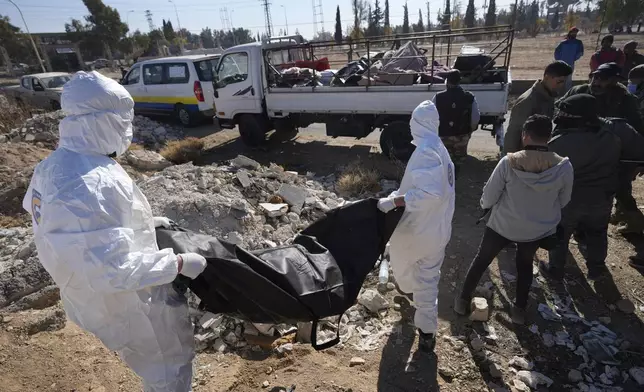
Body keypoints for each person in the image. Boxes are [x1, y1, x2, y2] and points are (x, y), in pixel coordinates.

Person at [22, 71, 208, 392]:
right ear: (101, 120)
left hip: (84, 300)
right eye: (124, 120)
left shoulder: (53, 166)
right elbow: (113, 269)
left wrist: (142, 225)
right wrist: (176, 264)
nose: (128, 129)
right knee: (164, 372)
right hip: (128, 310)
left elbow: (71, 231)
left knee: (119, 376)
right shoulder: (95, 181)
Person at [454, 115, 573, 324]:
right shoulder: (563, 167)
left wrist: (485, 206)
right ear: (550, 136)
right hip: (536, 230)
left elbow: (489, 197)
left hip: (502, 226)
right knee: (525, 266)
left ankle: (462, 301)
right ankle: (518, 311)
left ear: (525, 135)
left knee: (482, 260)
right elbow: (564, 201)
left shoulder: (508, 162)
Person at [377, 100, 455, 353]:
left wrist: (395, 201)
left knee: (404, 270)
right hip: (438, 231)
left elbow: (428, 194)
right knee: (429, 280)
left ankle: (412, 295)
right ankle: (427, 332)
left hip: (417, 230)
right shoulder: (440, 149)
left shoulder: (426, 151)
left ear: (417, 124)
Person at [541, 94, 644, 280]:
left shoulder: (558, 143)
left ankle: (555, 270)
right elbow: (638, 154)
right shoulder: (616, 130)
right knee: (597, 232)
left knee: (561, 234)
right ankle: (596, 269)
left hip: (569, 200)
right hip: (603, 197)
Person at [503, 61, 573, 155]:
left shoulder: (548, 96)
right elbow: (513, 133)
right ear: (547, 77)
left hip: (537, 155)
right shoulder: (528, 100)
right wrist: (510, 160)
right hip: (524, 157)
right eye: (559, 82)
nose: (562, 86)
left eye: (564, 82)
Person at [432, 69, 480, 177]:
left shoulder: (438, 97)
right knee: (458, 162)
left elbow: (432, 117)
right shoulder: (469, 97)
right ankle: (454, 178)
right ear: (459, 81)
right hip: (461, 136)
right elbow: (475, 118)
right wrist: (469, 132)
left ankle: (446, 181)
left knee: (444, 159)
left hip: (444, 135)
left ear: (447, 81)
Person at [554, 27, 584, 92]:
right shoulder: (563, 43)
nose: (574, 34)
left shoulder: (578, 43)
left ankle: (568, 95)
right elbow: (556, 52)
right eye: (573, 32)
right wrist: (559, 61)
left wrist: (573, 59)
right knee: (560, 79)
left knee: (568, 81)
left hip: (570, 64)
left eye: (575, 33)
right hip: (561, 64)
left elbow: (580, 53)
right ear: (570, 33)